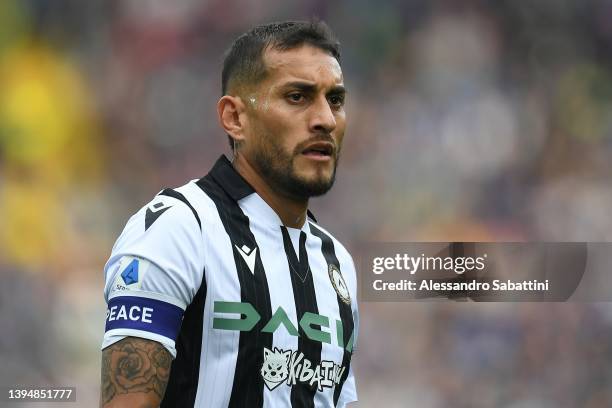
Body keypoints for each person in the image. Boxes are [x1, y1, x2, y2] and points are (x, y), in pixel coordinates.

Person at [100, 20, 358, 408]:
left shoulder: (338, 264)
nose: (325, 118)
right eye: (297, 97)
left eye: (334, 100)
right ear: (235, 118)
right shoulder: (179, 228)